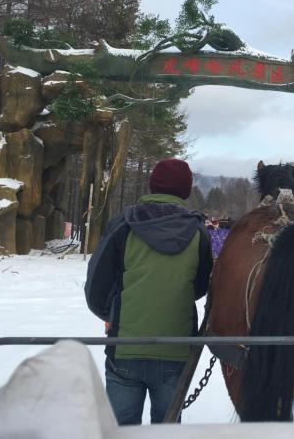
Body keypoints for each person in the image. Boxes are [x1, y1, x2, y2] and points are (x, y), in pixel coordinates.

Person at [92, 158, 212, 425]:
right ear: (186, 190)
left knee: (121, 430)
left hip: (124, 348)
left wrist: (113, 312)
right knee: (167, 429)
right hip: (177, 349)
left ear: (152, 184)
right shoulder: (198, 233)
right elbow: (200, 287)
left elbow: (96, 287)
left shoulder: (122, 225)